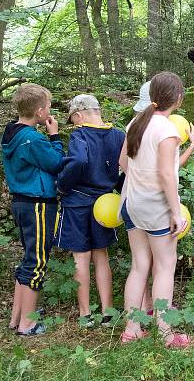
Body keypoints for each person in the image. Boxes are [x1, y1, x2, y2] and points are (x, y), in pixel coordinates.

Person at [118, 72, 190, 348]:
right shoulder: (167, 129)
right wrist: (175, 211)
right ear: (179, 99)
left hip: (132, 203)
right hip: (155, 206)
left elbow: (123, 162)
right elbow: (166, 175)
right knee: (164, 267)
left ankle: (131, 329)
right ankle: (165, 332)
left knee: (139, 266)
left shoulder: (136, 122)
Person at [56, 94, 125, 328]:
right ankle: (107, 312)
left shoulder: (80, 134)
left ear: (78, 115)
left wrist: (62, 185)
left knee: (81, 258)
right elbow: (124, 168)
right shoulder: (118, 135)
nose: (73, 123)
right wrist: (116, 186)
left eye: (72, 119)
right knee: (101, 256)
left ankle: (85, 314)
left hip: (77, 202)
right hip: (104, 205)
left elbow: (76, 161)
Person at [1, 83, 65, 336]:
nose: (50, 111)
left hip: (21, 202)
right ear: (40, 112)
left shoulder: (12, 132)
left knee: (28, 258)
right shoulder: (32, 138)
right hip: (37, 203)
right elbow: (55, 163)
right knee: (37, 262)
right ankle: (28, 324)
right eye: (48, 106)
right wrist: (55, 137)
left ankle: (17, 318)